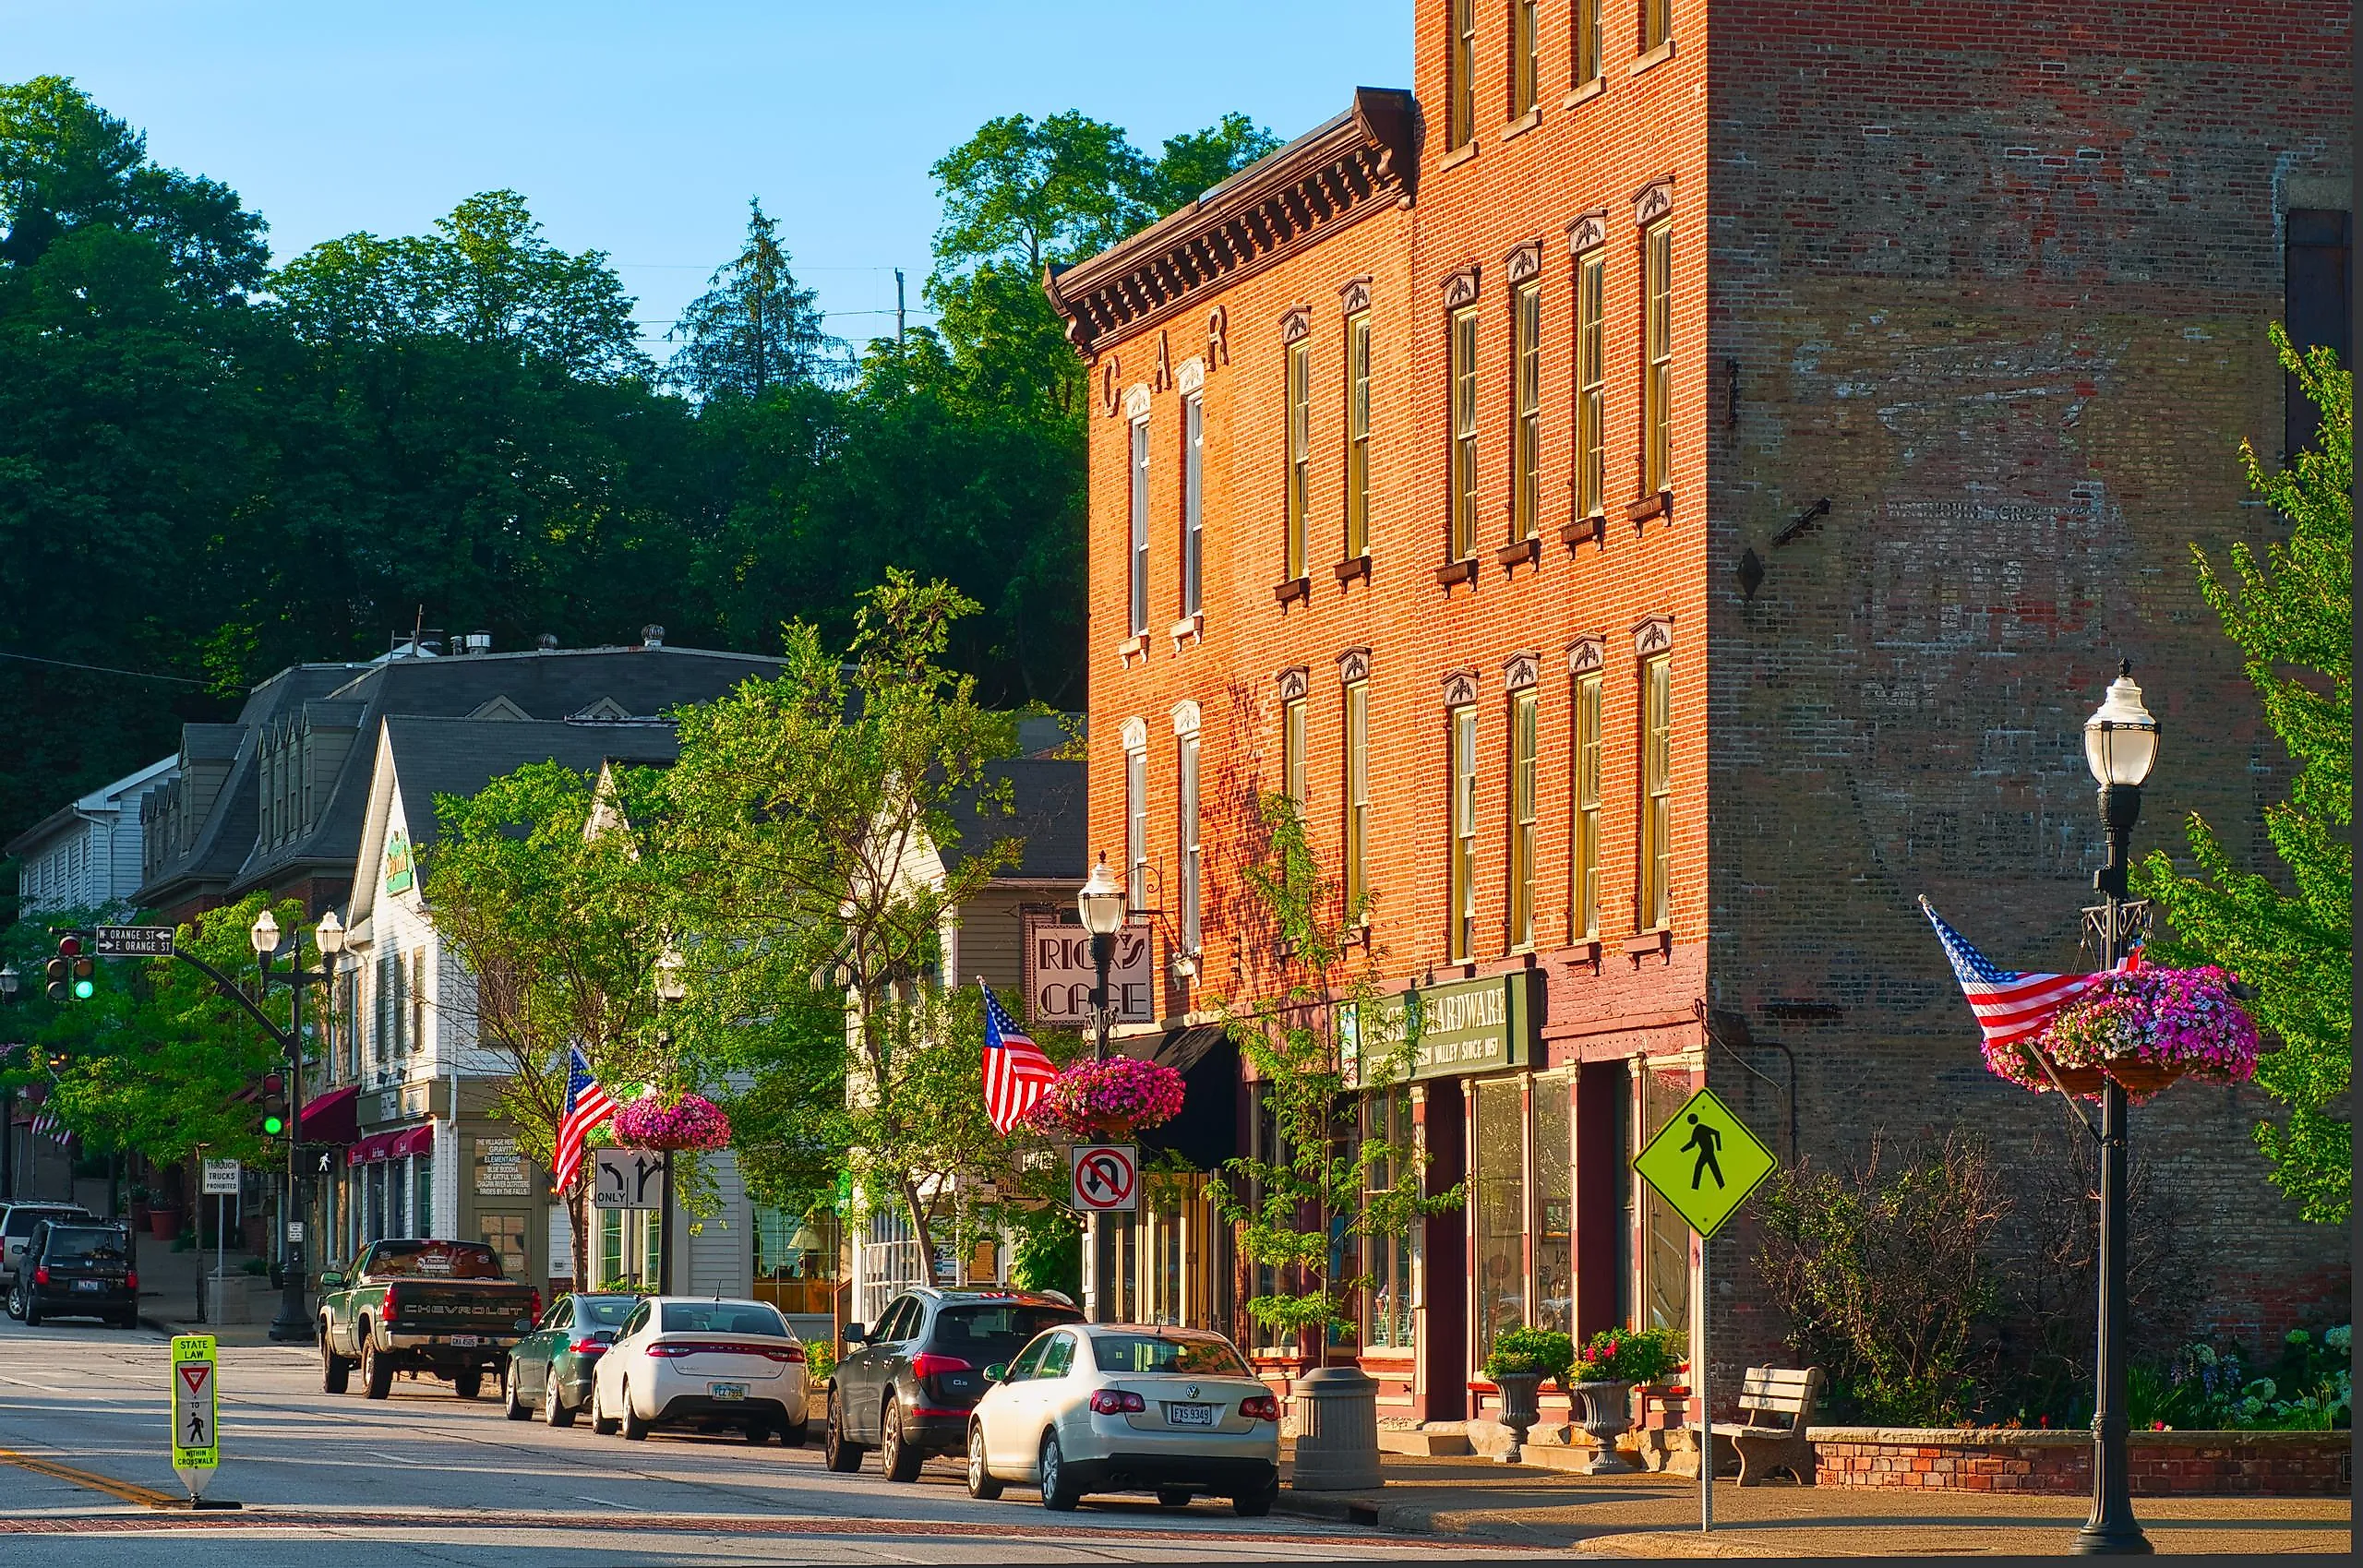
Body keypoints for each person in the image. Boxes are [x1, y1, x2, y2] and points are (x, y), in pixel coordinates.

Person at [1679, 1113, 1724, 1190]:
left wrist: (1719, 1148)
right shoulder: (1698, 1128)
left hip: (1707, 1151)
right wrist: (1682, 1150)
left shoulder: (1700, 1128)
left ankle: (1695, 1187)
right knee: (1714, 1168)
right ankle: (1722, 1185)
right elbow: (1693, 1144)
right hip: (1707, 1150)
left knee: (1699, 1167)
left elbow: (1717, 1133)